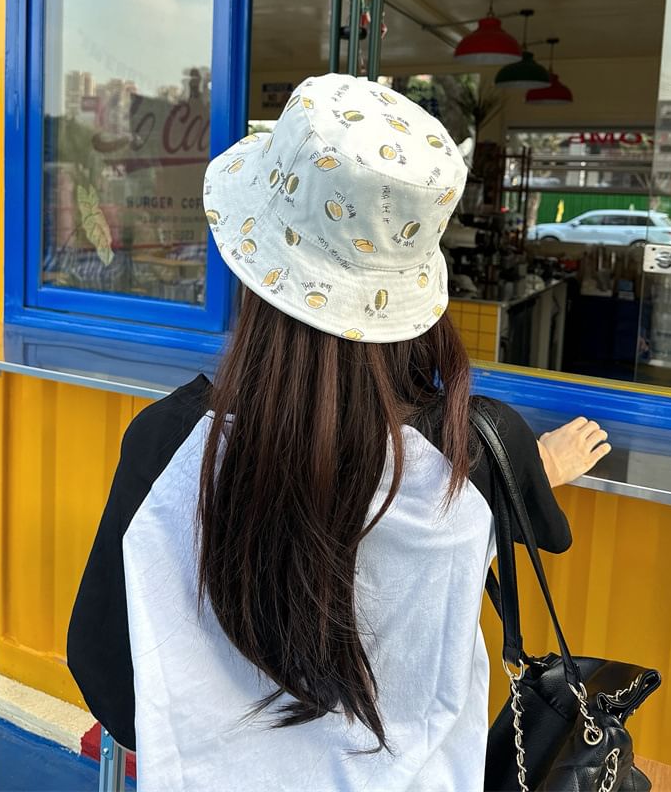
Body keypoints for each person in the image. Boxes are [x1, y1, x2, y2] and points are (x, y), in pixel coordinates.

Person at [67, 74, 611, 791]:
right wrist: (537, 465)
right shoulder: (482, 451)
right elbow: (526, 529)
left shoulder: (168, 445)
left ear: (255, 267)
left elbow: (106, 671)